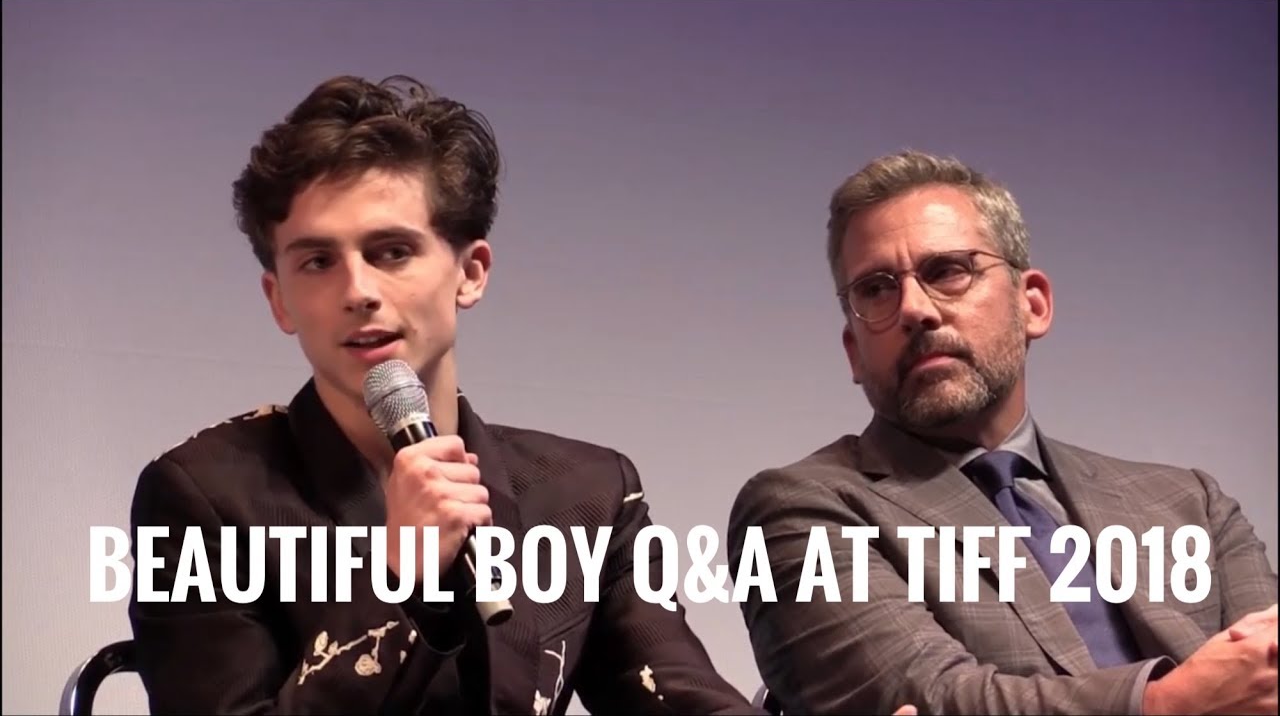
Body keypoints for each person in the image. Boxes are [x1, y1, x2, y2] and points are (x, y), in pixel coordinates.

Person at [126, 73, 763, 716]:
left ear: (471, 272)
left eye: (392, 252)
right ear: (279, 300)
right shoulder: (201, 498)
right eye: (317, 262)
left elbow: (683, 698)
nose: (358, 291)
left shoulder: (589, 493)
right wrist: (401, 579)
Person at [727, 150, 1278, 715]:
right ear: (853, 351)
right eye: (876, 289)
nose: (914, 309)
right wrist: (1171, 703)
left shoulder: (1191, 503)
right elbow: (938, 697)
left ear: (1031, 304)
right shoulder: (799, 509)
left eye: (946, 271)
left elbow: (1269, 671)